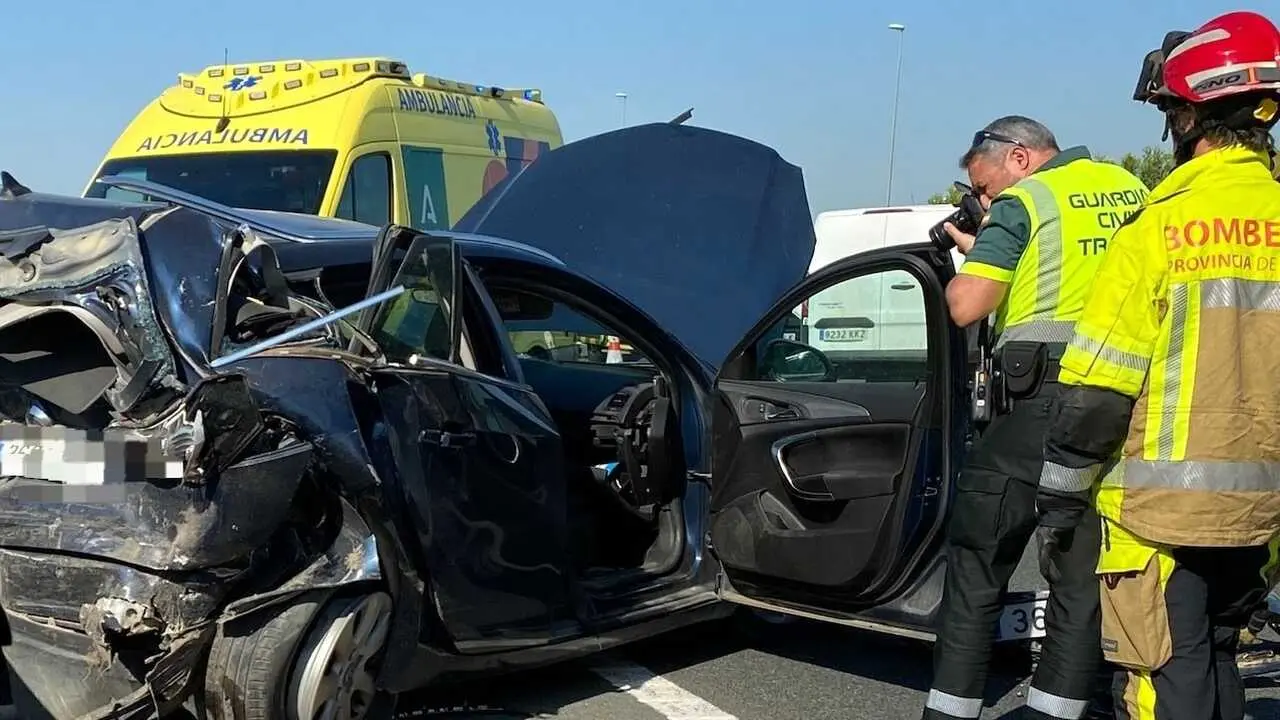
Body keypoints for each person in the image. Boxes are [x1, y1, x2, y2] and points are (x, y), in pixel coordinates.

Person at [1032, 11, 1280, 720]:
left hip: (1160, 514)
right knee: (1220, 654)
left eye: (1171, 111)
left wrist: (1058, 500)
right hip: (1263, 513)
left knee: (1161, 671)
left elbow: (1098, 391)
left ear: (1190, 116)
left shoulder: (1158, 227)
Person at [924, 116, 1148, 720]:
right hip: (1117, 402)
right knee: (1079, 573)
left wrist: (978, 251)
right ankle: (1057, 712)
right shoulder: (1131, 188)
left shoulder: (1025, 202)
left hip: (1032, 405)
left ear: (1019, 158)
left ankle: (949, 712)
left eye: (983, 186)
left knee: (979, 561)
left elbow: (966, 306)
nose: (983, 200)